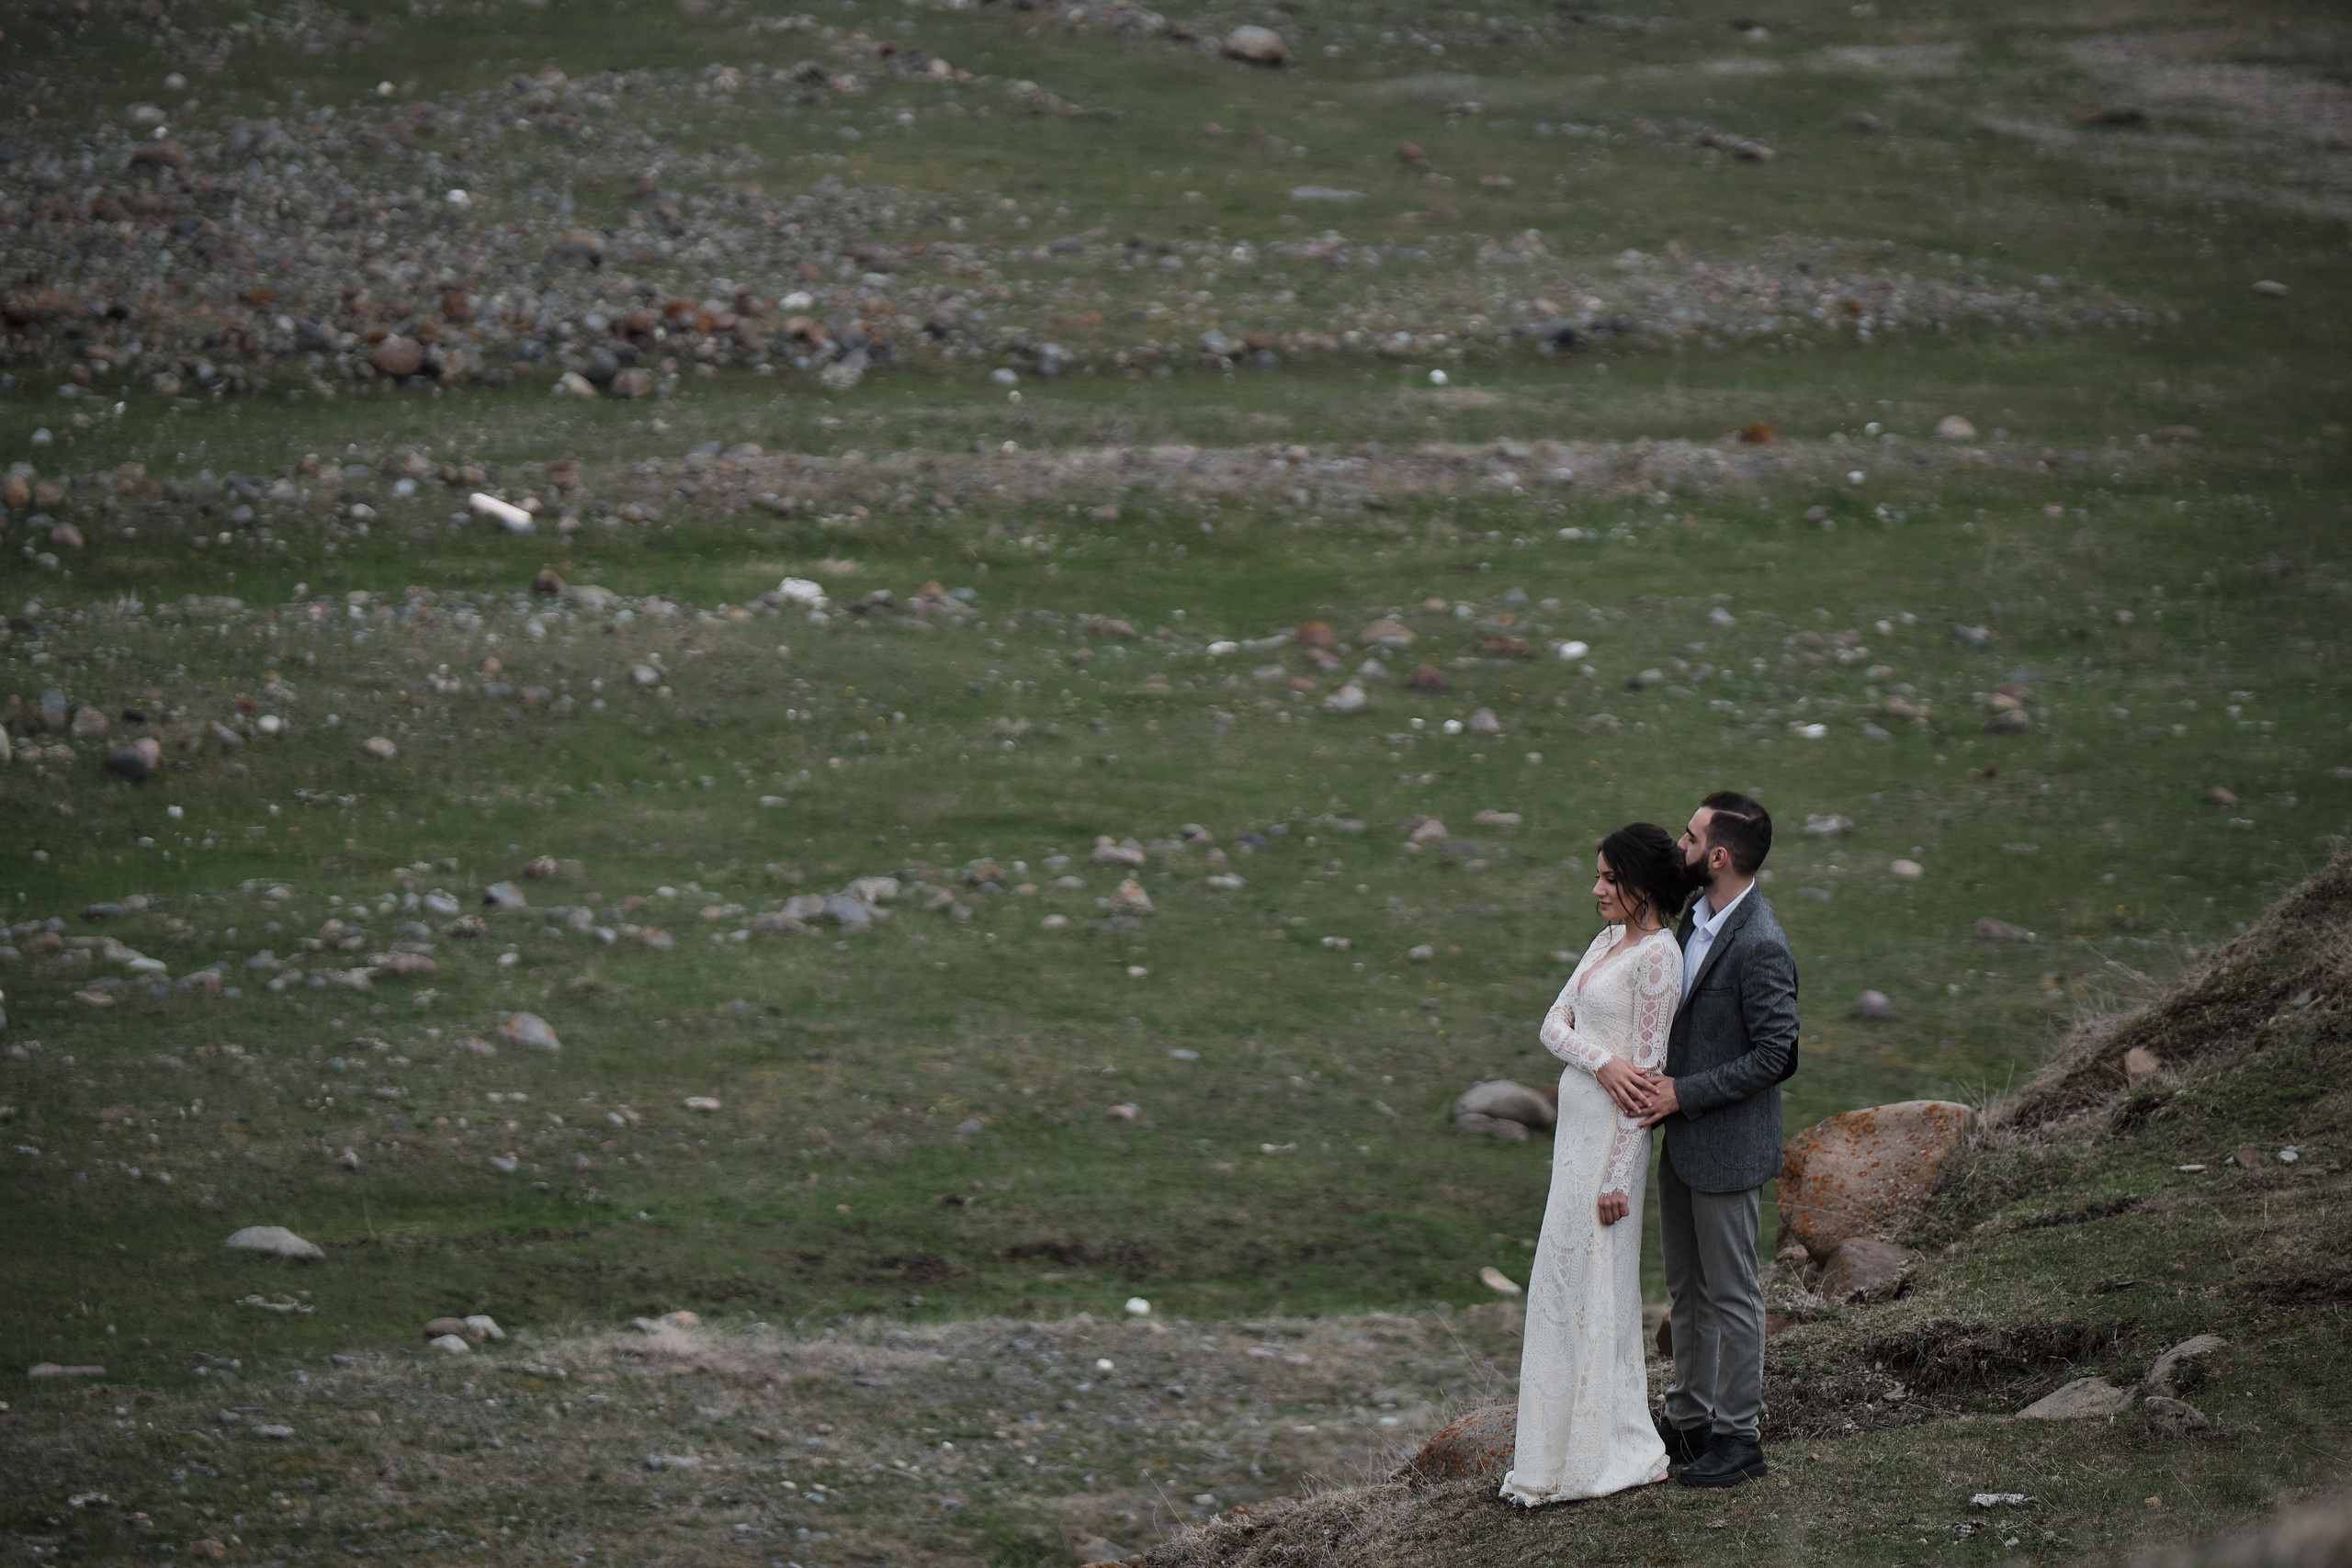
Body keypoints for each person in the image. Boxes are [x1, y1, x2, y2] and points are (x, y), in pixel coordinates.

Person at [1499, 822, 1689, 1506]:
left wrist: (1616, 1179)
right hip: (1575, 1138)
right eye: (1600, 876)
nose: (1597, 889)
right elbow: (1552, 1025)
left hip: (1612, 1145)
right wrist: (1602, 1060)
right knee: (1559, 1278)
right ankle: (1550, 1454)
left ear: (1642, 885)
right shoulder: (1607, 941)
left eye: (1610, 878)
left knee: (1599, 1284)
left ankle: (1609, 1446)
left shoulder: (1660, 957)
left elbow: (1650, 1079)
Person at [1636, 791, 1799, 1489]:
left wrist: (1684, 1092)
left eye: (1691, 836)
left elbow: (1777, 1054)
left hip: (1728, 1147)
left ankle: (1739, 1437)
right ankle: (1688, 1417)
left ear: (1720, 855)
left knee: (1733, 1294)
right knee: (1687, 1289)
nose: (1681, 844)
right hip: (1683, 1143)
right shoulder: (1694, 919)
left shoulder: (1760, 942)